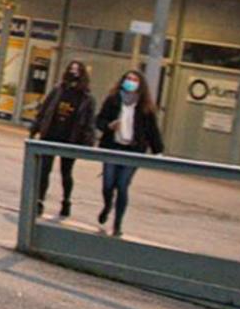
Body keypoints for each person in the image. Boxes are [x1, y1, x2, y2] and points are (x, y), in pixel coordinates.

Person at [95, 69, 164, 236]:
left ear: (140, 85)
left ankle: (117, 224)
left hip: (133, 150)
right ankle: (107, 205)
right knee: (108, 183)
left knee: (122, 185)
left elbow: (152, 130)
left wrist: (158, 150)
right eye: (128, 78)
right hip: (113, 147)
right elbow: (99, 120)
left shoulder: (145, 106)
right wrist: (108, 125)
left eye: (134, 79)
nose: (130, 82)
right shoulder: (113, 100)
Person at [28, 60, 96, 218]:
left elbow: (89, 121)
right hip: (51, 135)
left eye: (77, 70)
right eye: (71, 69)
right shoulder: (58, 90)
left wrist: (88, 141)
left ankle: (66, 200)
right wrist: (35, 128)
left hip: (71, 139)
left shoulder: (86, 97)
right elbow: (45, 110)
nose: (73, 72)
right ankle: (39, 200)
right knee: (44, 170)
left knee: (66, 172)